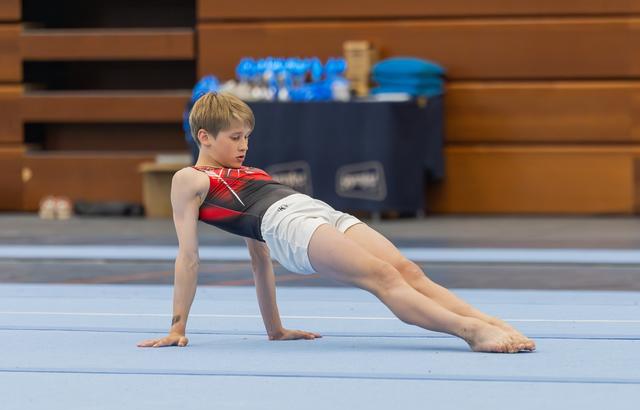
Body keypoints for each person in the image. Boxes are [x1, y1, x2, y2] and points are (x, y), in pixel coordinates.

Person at [137, 92, 536, 353]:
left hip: (317, 211)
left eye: (247, 137)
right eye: (235, 137)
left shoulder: (252, 171)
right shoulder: (190, 179)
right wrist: (177, 327)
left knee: (406, 269)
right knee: (381, 276)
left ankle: (488, 320)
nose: (244, 146)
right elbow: (188, 258)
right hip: (287, 227)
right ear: (204, 137)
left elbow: (260, 261)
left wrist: (275, 329)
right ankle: (471, 333)